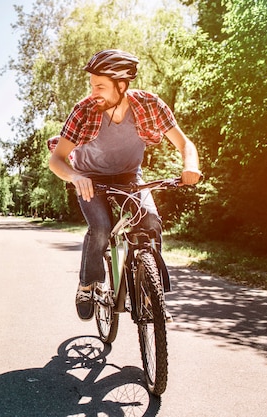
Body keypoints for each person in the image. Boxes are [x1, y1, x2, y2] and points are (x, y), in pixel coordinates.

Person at [48, 49, 201, 321]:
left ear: (121, 85)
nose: (93, 92)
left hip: (129, 176)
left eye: (100, 86)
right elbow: (57, 160)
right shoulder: (84, 110)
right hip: (89, 178)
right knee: (101, 228)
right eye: (92, 85)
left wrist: (191, 166)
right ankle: (87, 285)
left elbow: (184, 143)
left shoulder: (149, 105)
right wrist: (75, 177)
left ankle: (149, 293)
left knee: (151, 221)